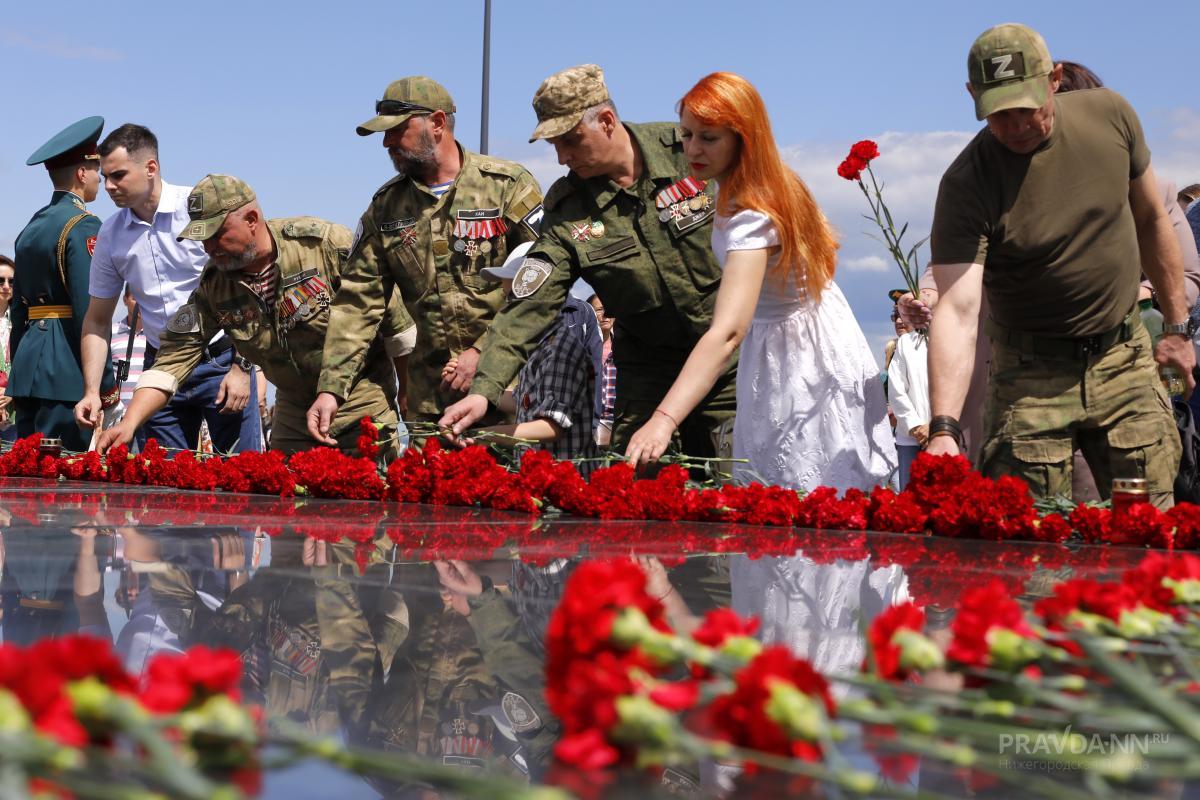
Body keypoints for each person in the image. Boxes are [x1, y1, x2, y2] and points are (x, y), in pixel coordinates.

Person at [924, 23, 1193, 509]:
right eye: (999, 115)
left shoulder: (1111, 116)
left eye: (1027, 108)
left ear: (1055, 78)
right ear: (972, 97)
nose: (1016, 126)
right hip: (1029, 377)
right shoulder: (966, 184)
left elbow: (1153, 220)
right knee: (1030, 540)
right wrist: (943, 427)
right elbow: (959, 310)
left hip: (1122, 360)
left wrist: (1177, 329)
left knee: (1149, 531)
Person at [440, 64, 738, 462]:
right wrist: (483, 390)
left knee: (739, 480)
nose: (563, 157)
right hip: (650, 369)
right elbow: (530, 303)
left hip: (732, 362)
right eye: (554, 146)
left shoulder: (688, 153)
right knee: (635, 486)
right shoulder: (568, 209)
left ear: (607, 121)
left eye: (572, 141)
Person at [625, 72, 895, 492]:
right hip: (809, 336)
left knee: (806, 493)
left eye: (709, 138)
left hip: (797, 357)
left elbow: (730, 330)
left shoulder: (753, 213)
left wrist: (664, 420)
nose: (692, 149)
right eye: (687, 135)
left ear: (743, 138)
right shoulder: (774, 184)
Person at [96, 175, 415, 457]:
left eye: (216, 235)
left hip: (359, 403)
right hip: (293, 412)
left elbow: (397, 326)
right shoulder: (214, 285)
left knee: (369, 511)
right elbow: (172, 358)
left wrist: (407, 394)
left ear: (251, 219)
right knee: (288, 507)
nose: (208, 248)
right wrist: (130, 422)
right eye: (202, 239)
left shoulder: (326, 247)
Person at [308, 76, 543, 442]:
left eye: (397, 130)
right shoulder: (385, 208)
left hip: (511, 395)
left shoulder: (508, 186)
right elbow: (358, 304)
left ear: (436, 123)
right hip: (431, 407)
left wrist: (486, 352)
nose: (386, 142)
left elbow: (542, 282)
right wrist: (331, 388)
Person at [75, 123, 260, 454]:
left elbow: (250, 285)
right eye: (104, 177)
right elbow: (97, 321)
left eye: (117, 175)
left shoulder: (199, 211)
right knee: (164, 489)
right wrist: (91, 391)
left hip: (220, 363)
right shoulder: (110, 234)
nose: (108, 186)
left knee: (246, 483)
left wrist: (242, 367)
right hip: (160, 371)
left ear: (150, 168)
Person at [8, 116, 119, 451]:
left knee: (27, 480)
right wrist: (105, 383)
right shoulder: (84, 226)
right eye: (97, 170)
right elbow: (91, 311)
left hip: (28, 370)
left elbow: (18, 311)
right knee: (63, 488)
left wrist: (20, 367)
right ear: (81, 173)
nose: (101, 179)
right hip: (67, 372)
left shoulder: (31, 228)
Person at [469, 242, 602, 474]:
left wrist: (485, 434)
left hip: (565, 484)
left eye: (512, 299)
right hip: (539, 479)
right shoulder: (537, 344)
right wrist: (474, 393)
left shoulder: (560, 347)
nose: (502, 294)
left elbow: (552, 426)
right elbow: (524, 401)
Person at [887, 311, 929, 490]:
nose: (899, 320)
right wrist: (916, 427)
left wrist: (938, 425)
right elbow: (896, 390)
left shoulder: (955, 339)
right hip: (911, 435)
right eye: (895, 315)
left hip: (945, 431)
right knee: (909, 498)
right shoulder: (905, 343)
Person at [109, 284, 147, 407]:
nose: (141, 304)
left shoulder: (158, 336)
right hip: (118, 412)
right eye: (135, 298)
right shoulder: (110, 333)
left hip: (150, 413)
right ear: (125, 300)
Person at [588, 293, 617, 447]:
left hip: (617, 426)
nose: (604, 314)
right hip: (589, 426)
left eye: (607, 309)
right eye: (598, 310)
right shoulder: (584, 351)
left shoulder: (624, 350)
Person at [0, 256, 16, 443]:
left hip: (14, 413)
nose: (6, 286)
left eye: (11, 281)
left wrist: (12, 390)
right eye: (0, 280)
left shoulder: (24, 320)